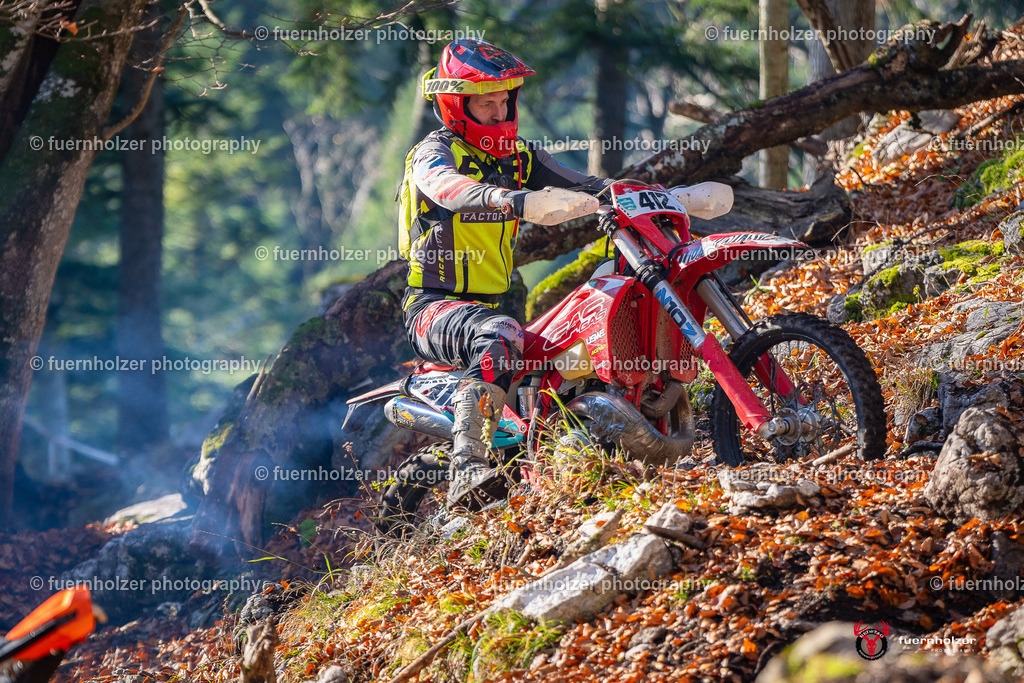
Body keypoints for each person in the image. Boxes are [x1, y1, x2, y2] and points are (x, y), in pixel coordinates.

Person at [397, 38, 614, 508]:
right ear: (456, 106)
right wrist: (509, 199)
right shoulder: (433, 154)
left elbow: (588, 184)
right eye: (486, 105)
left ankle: (585, 458)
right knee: (499, 333)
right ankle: (467, 467)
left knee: (578, 352)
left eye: (503, 102)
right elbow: (447, 188)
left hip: (498, 304)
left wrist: (655, 195)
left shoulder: (517, 154)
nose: (499, 114)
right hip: (432, 306)